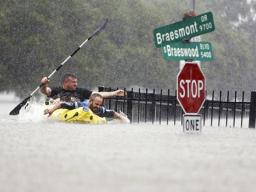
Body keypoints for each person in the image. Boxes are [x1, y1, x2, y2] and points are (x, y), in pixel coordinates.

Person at [44, 93, 130, 123]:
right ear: (90, 102)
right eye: (96, 104)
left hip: (89, 116)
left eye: (100, 104)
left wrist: (122, 118)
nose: (98, 106)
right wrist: (51, 110)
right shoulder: (80, 105)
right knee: (66, 101)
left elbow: (112, 113)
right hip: (72, 108)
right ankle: (52, 101)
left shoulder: (100, 109)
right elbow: (62, 104)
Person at [40, 73, 125, 102]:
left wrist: (115, 93)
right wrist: (43, 83)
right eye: (73, 82)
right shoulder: (56, 90)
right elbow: (45, 91)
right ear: (66, 82)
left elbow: (98, 94)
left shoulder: (81, 91)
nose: (76, 84)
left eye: (76, 82)